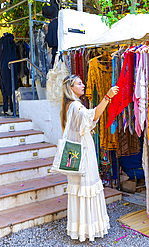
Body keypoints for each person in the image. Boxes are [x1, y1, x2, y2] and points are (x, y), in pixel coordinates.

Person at [60, 74, 119, 242]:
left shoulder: (69, 106)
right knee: (86, 186)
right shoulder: (76, 106)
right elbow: (93, 116)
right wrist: (107, 97)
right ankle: (89, 228)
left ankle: (81, 227)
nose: (83, 85)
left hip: (78, 148)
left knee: (80, 188)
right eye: (79, 83)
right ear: (71, 88)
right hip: (83, 151)